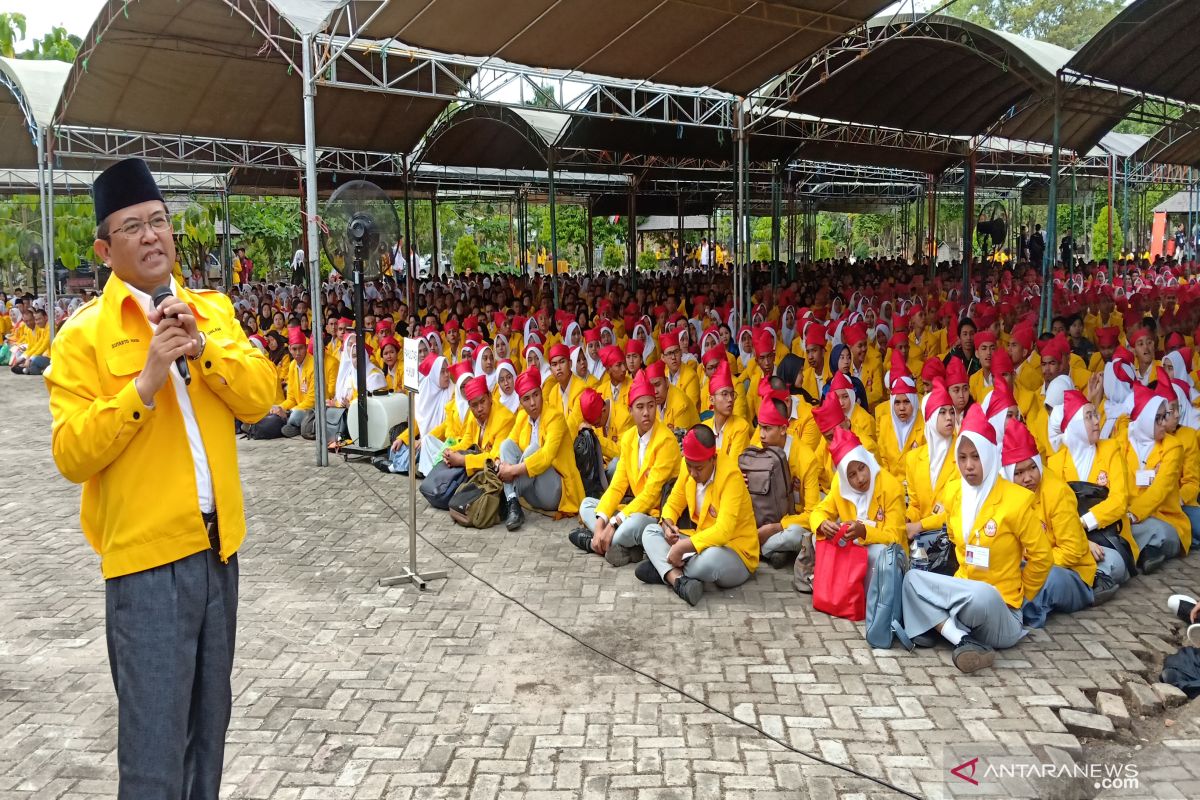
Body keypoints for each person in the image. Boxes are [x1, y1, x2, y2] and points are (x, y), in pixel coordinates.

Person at [45, 158, 277, 798]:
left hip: (217, 551)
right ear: (104, 248)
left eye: (158, 222)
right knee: (153, 754)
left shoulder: (214, 311)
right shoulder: (84, 337)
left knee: (209, 739)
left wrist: (208, 350)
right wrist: (144, 383)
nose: (151, 236)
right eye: (132, 227)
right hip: (146, 567)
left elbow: (263, 398)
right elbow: (70, 454)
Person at [899, 405, 1052, 673]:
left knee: (984, 595)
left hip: (1000, 609)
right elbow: (944, 521)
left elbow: (1042, 556)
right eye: (962, 457)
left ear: (991, 457)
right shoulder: (955, 492)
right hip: (964, 591)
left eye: (976, 457)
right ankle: (964, 641)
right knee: (911, 580)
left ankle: (940, 625)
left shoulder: (1015, 501)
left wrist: (1021, 595)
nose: (968, 466)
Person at [638, 426, 759, 605]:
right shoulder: (688, 467)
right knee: (650, 531)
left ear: (713, 459)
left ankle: (662, 568)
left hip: (735, 552)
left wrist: (681, 548)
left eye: (699, 468)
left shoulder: (731, 477)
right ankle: (677, 579)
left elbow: (723, 532)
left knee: (710, 561)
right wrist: (667, 526)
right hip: (699, 545)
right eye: (689, 466)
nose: (693, 473)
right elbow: (672, 505)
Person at [571, 371, 680, 565]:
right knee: (587, 504)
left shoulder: (666, 441)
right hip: (632, 509)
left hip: (654, 514)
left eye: (651, 406)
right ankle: (610, 543)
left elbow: (651, 496)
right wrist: (600, 526)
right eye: (640, 407)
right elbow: (617, 487)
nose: (646, 412)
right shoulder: (629, 438)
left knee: (636, 524)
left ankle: (594, 544)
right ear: (630, 410)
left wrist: (613, 523)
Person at [1000, 418, 1097, 626]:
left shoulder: (1057, 493)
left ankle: (1015, 617)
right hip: (1025, 565)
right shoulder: (1006, 493)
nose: (1027, 478)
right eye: (1018, 473)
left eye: (1032, 469)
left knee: (1046, 577)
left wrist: (1034, 563)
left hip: (1071, 574)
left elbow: (1072, 550)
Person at [809, 427, 906, 603]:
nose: (860, 479)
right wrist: (822, 523)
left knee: (882, 553)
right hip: (855, 550)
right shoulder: (839, 483)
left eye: (862, 468)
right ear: (845, 478)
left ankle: (873, 601)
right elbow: (819, 511)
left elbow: (895, 539)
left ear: (867, 461)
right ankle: (839, 593)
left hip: (884, 554)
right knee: (819, 537)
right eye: (852, 475)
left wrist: (864, 532)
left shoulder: (891, 487)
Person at [497, 367, 585, 530]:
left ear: (541, 393)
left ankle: (508, 497)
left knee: (533, 449)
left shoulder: (555, 417)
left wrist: (512, 470)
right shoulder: (523, 417)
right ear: (521, 402)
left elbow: (546, 456)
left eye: (536, 395)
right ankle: (513, 502)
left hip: (555, 492)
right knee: (506, 445)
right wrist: (500, 463)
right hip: (531, 490)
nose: (532, 402)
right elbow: (509, 443)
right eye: (526, 398)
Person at [1123, 383, 1186, 572]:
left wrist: (1133, 515)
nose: (1164, 423)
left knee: (1159, 531)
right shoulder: (1120, 444)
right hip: (1126, 514)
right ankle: (1145, 552)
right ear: (1143, 420)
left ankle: (1136, 550)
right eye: (1157, 419)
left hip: (1162, 517)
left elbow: (1160, 490)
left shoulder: (1173, 446)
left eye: (1164, 417)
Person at [439, 375, 515, 475]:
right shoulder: (472, 415)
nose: (479, 408)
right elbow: (467, 442)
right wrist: (450, 452)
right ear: (469, 406)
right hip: (478, 468)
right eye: (474, 405)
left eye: (482, 401)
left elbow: (494, 457)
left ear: (490, 396)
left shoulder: (505, 419)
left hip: (497, 473)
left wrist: (463, 460)